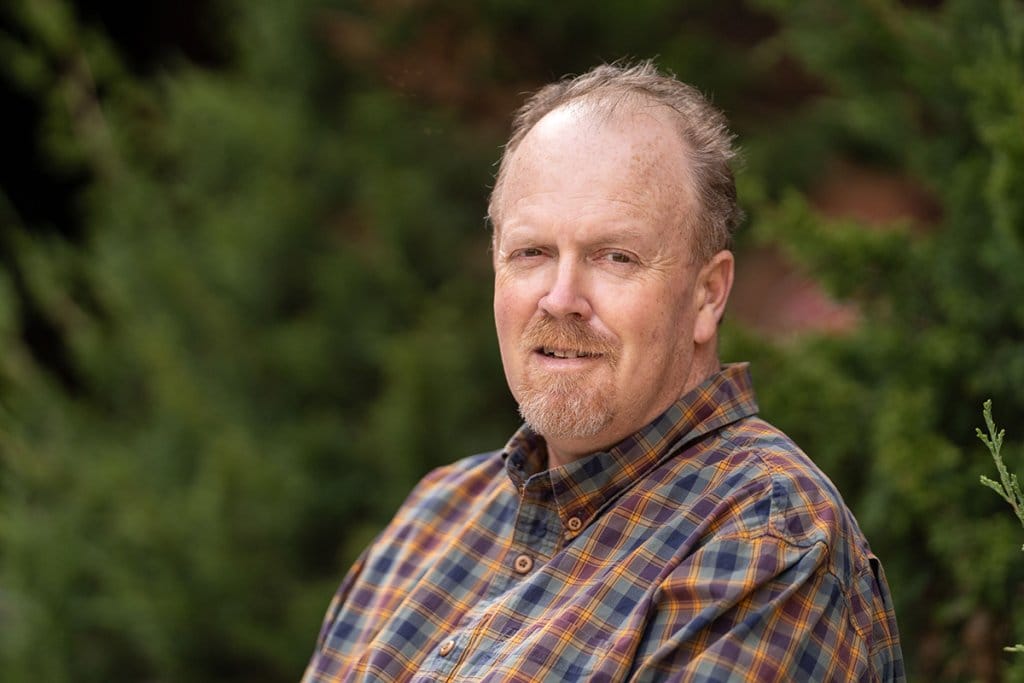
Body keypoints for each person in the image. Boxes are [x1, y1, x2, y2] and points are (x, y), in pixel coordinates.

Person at [302, 61, 904, 682]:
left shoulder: (767, 542)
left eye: (615, 256)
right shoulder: (433, 517)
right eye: (532, 253)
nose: (561, 297)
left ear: (708, 295)